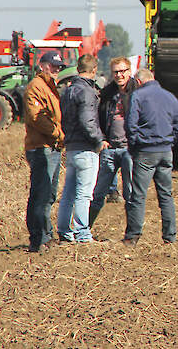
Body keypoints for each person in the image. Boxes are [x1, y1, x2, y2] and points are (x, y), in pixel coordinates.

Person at [124, 68, 178, 246]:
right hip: (166, 151)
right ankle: (170, 236)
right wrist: (169, 143)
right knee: (166, 195)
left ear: (139, 82)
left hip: (145, 151)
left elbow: (130, 125)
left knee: (138, 195)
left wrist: (135, 145)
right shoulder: (170, 97)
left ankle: (133, 236)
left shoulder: (138, 96)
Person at [57, 54, 105, 244]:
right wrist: (98, 140)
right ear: (94, 70)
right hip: (86, 148)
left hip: (70, 147)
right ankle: (82, 233)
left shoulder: (68, 91)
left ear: (78, 69)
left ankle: (63, 231)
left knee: (68, 192)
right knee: (84, 193)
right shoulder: (87, 91)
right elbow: (88, 121)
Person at [23, 51, 66, 253]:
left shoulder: (51, 87)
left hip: (52, 147)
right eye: (53, 65)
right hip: (41, 147)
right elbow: (36, 118)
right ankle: (38, 238)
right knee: (41, 194)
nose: (56, 69)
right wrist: (59, 134)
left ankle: (45, 235)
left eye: (58, 66)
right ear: (42, 65)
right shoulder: (36, 87)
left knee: (48, 194)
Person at [88, 56, 137, 228]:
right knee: (99, 192)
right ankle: (85, 230)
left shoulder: (137, 92)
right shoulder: (107, 93)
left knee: (130, 194)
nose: (120, 75)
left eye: (123, 71)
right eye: (116, 72)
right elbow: (97, 118)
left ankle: (131, 233)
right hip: (109, 149)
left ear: (129, 72)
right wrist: (101, 139)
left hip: (129, 150)